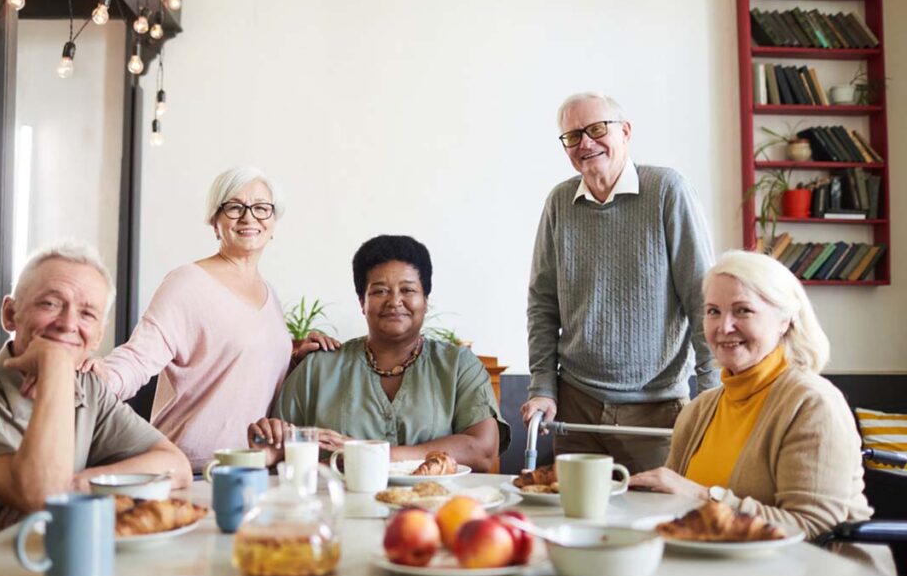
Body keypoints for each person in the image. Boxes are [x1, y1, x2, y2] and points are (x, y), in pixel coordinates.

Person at [0, 242, 191, 576]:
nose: (68, 323)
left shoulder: (90, 392)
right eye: (50, 303)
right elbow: (41, 495)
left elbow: (176, 467)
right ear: (10, 314)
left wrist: (75, 484)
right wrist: (57, 364)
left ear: (98, 336)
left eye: (87, 314)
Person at [82, 167, 337, 470]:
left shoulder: (270, 295)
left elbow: (246, 366)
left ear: (273, 222)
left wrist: (297, 357)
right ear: (215, 221)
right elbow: (139, 357)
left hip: (254, 466)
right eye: (234, 207)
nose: (248, 217)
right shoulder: (187, 282)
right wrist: (99, 379)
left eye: (260, 208)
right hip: (194, 469)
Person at [521, 92, 719, 473]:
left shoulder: (667, 191)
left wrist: (711, 391)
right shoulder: (560, 202)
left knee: (656, 521)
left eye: (597, 129)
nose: (586, 143)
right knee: (573, 524)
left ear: (625, 132)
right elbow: (542, 304)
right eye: (573, 136)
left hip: (655, 411)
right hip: (575, 404)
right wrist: (542, 387)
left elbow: (702, 297)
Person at [630, 250, 871, 540]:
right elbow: (674, 508)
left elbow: (810, 526)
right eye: (713, 311)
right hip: (720, 571)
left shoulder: (812, 404)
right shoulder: (698, 410)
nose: (724, 327)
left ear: (784, 321)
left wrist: (704, 496)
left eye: (742, 310)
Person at [248, 235, 509, 472]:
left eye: (408, 290)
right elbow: (278, 453)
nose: (395, 301)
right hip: (337, 514)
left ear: (425, 301)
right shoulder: (317, 369)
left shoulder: (458, 365)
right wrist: (270, 451)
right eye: (380, 291)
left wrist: (370, 455)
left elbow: (483, 451)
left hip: (438, 514)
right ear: (362, 302)